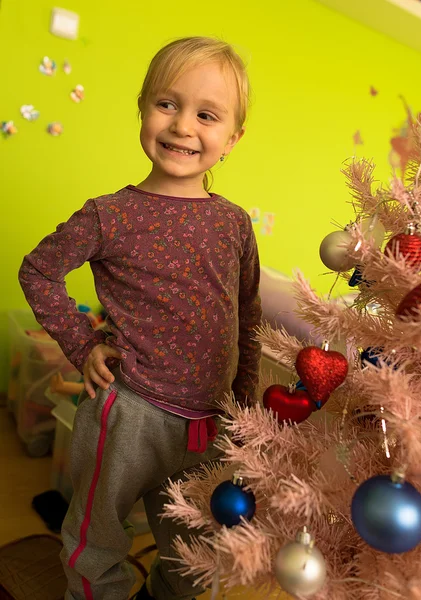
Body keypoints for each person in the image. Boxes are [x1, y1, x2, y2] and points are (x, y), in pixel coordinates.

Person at [18, 36, 262, 600]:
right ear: (143, 109)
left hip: (208, 422)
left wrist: (244, 405)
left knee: (190, 547)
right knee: (99, 534)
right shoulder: (110, 214)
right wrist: (83, 346)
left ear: (232, 139)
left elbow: (247, 313)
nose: (182, 127)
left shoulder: (233, 224)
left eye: (206, 115)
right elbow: (38, 272)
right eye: (167, 104)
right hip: (129, 412)